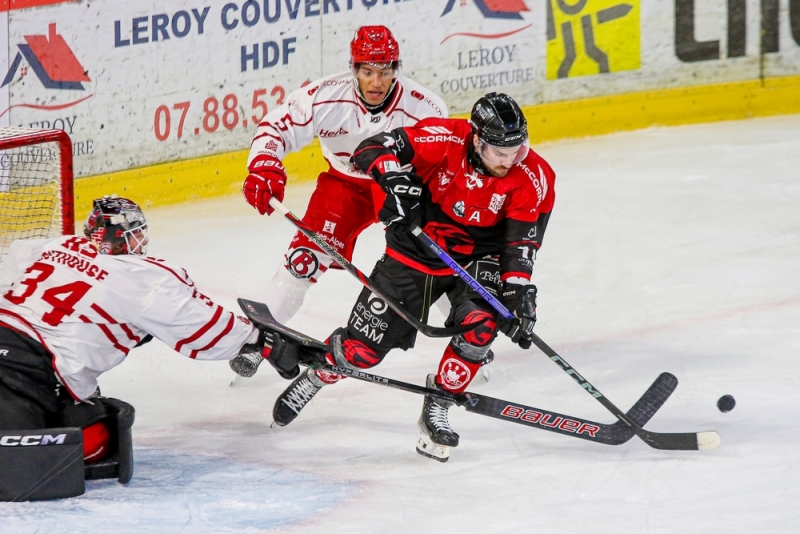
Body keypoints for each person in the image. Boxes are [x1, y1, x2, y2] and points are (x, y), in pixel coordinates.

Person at [264, 92, 557, 462]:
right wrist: (395, 183)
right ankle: (318, 376)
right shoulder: (445, 139)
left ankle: (439, 406)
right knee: (361, 353)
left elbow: (520, 244)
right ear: (477, 139)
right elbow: (372, 148)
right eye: (499, 152)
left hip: (478, 260)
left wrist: (517, 294)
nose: (509, 160)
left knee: (482, 326)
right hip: (415, 251)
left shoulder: (533, 176)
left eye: (516, 150)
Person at [0, 195, 269, 494]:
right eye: (136, 232)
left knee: (89, 431)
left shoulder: (53, 246)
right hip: (29, 370)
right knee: (76, 448)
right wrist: (256, 338)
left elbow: (12, 271)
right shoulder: (141, 275)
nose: (141, 240)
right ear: (119, 236)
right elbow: (205, 331)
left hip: (20, 355)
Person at [231, 25, 447, 379]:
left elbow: (443, 162)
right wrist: (264, 164)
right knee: (303, 260)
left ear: (396, 69)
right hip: (345, 186)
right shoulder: (324, 96)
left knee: (431, 259)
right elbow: (276, 127)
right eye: (367, 72)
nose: (376, 82)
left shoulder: (425, 107)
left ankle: (467, 344)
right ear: (354, 69)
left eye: (384, 71)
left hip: (401, 187)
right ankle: (260, 340)